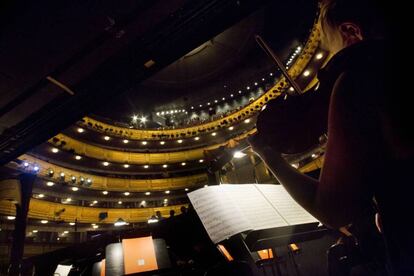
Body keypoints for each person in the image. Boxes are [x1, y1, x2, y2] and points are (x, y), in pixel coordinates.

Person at [249, 0, 412, 274]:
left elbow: (334, 211)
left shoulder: (359, 82)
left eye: (332, 48)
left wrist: (269, 156)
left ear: (350, 32)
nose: (330, 66)